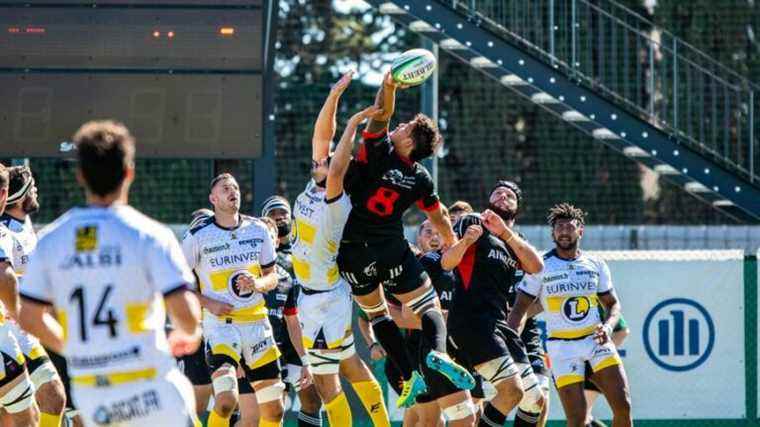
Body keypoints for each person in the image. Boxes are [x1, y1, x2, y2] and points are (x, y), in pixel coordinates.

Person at [18, 120, 202, 426]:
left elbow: (29, 316)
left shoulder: (51, 239)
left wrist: (76, 349)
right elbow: (185, 311)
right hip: (150, 388)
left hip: (95, 395)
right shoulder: (150, 235)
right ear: (129, 172)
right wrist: (190, 332)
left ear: (80, 175)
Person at [337, 71, 473, 408]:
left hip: (353, 250)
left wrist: (390, 85)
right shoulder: (419, 178)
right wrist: (451, 240)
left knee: (378, 315)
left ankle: (409, 373)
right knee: (428, 305)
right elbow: (438, 214)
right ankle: (438, 354)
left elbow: (382, 114)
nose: (398, 126)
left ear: (410, 142)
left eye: (406, 127)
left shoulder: (379, 148)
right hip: (390, 248)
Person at [291, 71, 390, 426]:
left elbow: (336, 162)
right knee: (346, 365)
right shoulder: (315, 185)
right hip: (311, 295)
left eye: (326, 161)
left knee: (331, 380)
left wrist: (353, 123)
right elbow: (322, 136)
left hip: (326, 297)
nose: (318, 161)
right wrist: (333, 95)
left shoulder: (337, 200)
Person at [508, 203, 632, 427]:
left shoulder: (596, 264)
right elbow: (520, 308)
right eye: (559, 227)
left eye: (569, 227)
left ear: (580, 231)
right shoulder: (540, 266)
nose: (564, 231)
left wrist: (608, 327)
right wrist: (510, 341)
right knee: (578, 420)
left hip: (596, 342)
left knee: (623, 408)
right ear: (553, 233)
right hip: (562, 349)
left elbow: (613, 305)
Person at [182, 173, 284, 427]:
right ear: (213, 198)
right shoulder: (198, 236)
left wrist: (257, 283)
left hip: (257, 324)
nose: (233, 192)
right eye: (226, 188)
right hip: (221, 326)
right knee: (226, 400)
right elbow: (177, 287)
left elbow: (272, 278)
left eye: (236, 188)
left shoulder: (258, 230)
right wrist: (209, 303)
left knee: (275, 412)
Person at [441, 181, 545, 427]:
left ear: (517, 208)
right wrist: (465, 241)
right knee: (512, 391)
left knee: (535, 401)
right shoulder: (473, 222)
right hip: (472, 320)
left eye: (509, 195)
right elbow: (446, 263)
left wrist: (505, 233)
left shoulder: (514, 239)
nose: (502, 196)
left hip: (500, 325)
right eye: (497, 192)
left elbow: (536, 267)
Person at [0, 165, 68, 427]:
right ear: (15, 195)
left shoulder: (23, 225)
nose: (37, 191)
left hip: (23, 331)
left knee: (53, 397)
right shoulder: (4, 230)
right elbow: (6, 278)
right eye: (33, 187)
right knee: (22, 414)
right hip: (13, 328)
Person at [258, 216, 320, 427]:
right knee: (264, 414)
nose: (265, 242)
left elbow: (293, 322)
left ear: (276, 242)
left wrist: (306, 362)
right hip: (255, 355)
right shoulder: (244, 276)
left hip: (287, 350)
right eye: (261, 237)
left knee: (311, 399)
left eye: (270, 237)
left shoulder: (285, 277)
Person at [0, 163, 40, 427]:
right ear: (4, 195)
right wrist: (24, 316)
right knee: (27, 419)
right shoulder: (4, 232)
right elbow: (5, 277)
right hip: (9, 334)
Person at [584, 314, 630, 427]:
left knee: (582, 417)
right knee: (583, 417)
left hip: (593, 366)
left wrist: (600, 354)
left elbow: (623, 331)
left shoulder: (597, 299)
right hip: (573, 366)